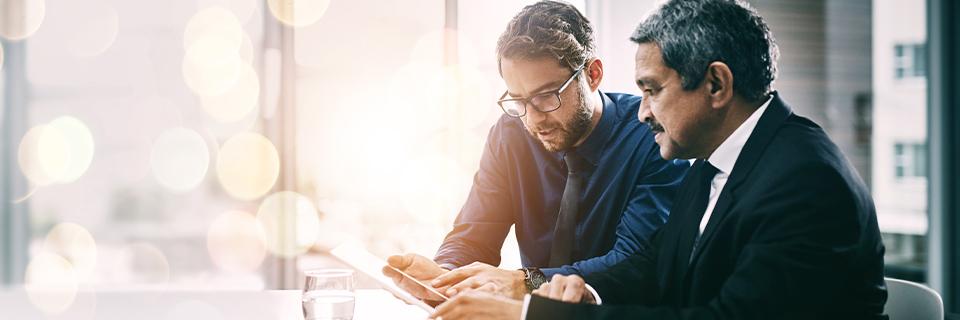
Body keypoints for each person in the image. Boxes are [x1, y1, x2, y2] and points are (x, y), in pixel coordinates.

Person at [429, 0, 888, 319]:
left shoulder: (806, 180)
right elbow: (651, 267)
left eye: (652, 90)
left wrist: (531, 313)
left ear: (716, 85)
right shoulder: (716, 165)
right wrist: (579, 294)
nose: (643, 110)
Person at [382, 0, 689, 305]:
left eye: (546, 96)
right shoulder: (510, 134)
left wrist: (526, 282)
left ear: (593, 74)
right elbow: (474, 235)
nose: (532, 118)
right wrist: (443, 276)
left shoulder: (654, 136)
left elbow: (633, 265)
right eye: (518, 100)